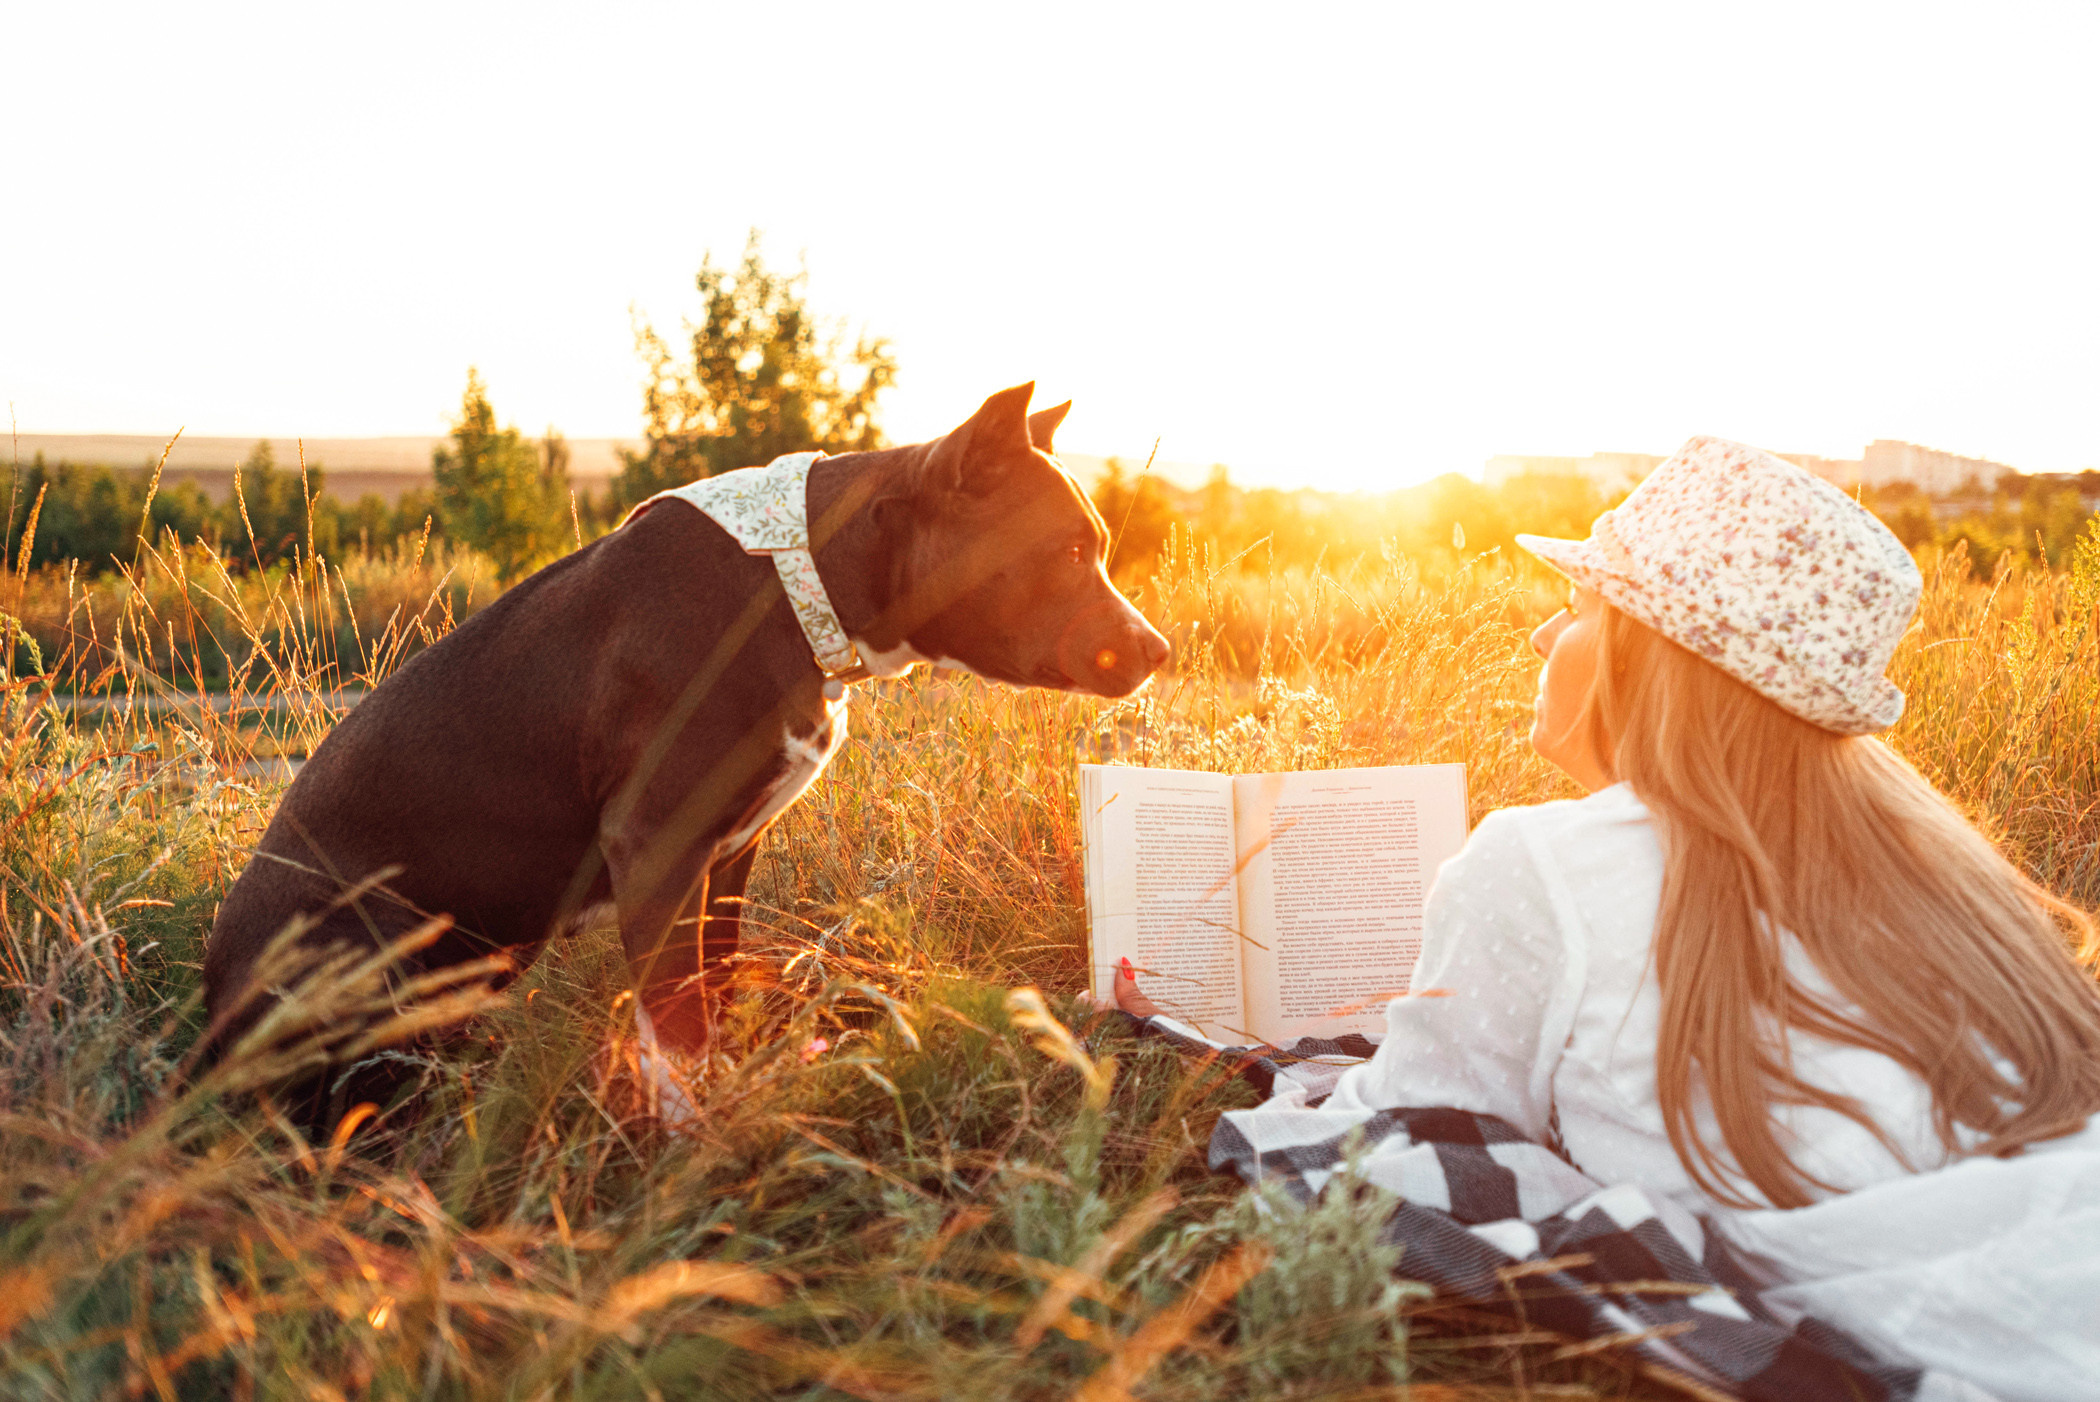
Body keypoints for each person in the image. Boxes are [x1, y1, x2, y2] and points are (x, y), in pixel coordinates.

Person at [1106, 437, 2100, 1397]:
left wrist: (1205, 1036)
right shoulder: (1936, 868)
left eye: (1576, 605)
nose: (1544, 634)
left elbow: (1401, 1131)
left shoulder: (1540, 861)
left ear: (1648, 655)